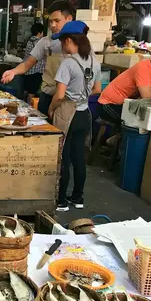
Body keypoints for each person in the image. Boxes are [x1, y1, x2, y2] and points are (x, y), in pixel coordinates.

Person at [48, 21, 102, 212]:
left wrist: (52, 109)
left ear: (69, 40)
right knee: (79, 157)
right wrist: (82, 96)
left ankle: (61, 200)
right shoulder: (95, 62)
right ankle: (78, 197)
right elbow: (97, 89)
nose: (62, 46)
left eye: (62, 42)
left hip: (67, 114)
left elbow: (60, 95)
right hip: (84, 114)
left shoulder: (68, 63)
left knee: (63, 157)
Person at [1, 1, 74, 116]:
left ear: (69, 19)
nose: (53, 25)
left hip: (70, 101)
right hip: (47, 96)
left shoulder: (80, 43)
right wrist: (13, 71)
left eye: (57, 21)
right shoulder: (45, 42)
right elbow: (27, 64)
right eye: (50, 21)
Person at [98, 46, 151, 124]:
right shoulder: (144, 68)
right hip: (109, 104)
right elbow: (147, 96)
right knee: (131, 123)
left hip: (126, 104)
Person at [22, 22, 45, 102]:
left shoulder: (30, 40)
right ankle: (28, 107)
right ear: (39, 32)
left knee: (26, 90)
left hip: (27, 70)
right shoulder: (38, 42)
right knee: (32, 92)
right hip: (35, 71)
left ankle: (23, 104)